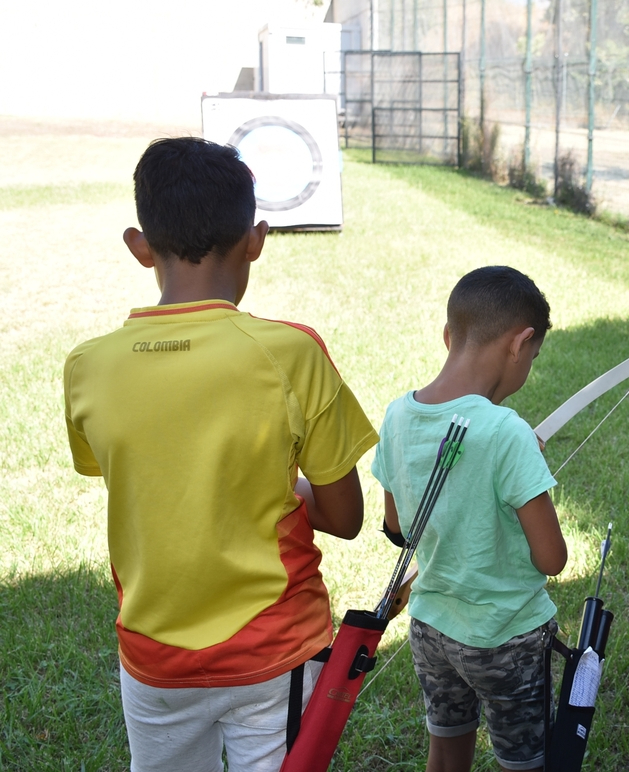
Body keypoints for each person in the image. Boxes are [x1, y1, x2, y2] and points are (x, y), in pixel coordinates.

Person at [63, 137, 379, 770]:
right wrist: (283, 490)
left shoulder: (87, 368)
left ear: (139, 245)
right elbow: (345, 519)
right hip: (276, 651)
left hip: (153, 659)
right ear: (256, 238)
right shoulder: (291, 353)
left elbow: (136, 473)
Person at [372, 265, 568, 772]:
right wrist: (526, 459)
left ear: (448, 336)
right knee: (525, 761)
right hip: (507, 638)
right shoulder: (507, 431)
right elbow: (552, 559)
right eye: (535, 356)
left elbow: (399, 529)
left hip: (431, 630)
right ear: (520, 344)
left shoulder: (397, 414)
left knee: (447, 747)